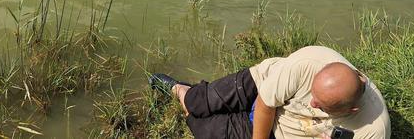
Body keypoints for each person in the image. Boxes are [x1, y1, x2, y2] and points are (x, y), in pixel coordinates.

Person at [149, 45, 391, 139]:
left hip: (281, 130)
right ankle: (181, 90)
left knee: (202, 128)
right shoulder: (308, 63)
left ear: (352, 109)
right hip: (262, 86)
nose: (313, 103)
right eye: (313, 94)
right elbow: (266, 103)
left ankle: (191, 112)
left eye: (322, 105)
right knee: (198, 104)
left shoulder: (373, 131)